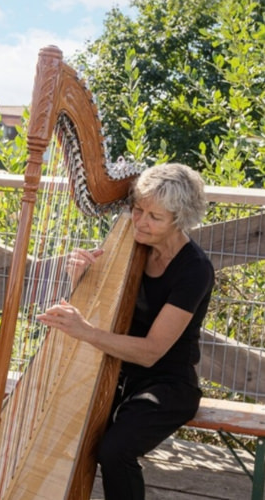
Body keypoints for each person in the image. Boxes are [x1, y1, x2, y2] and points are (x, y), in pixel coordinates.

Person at [37, 163, 214, 500]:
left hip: (166, 383)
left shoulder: (194, 270)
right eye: (138, 209)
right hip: (117, 371)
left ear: (180, 219)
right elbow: (103, 318)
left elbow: (150, 351)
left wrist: (85, 331)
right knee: (62, 428)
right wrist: (83, 280)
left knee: (114, 451)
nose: (140, 221)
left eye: (154, 217)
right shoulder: (131, 247)